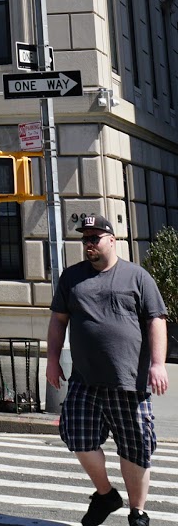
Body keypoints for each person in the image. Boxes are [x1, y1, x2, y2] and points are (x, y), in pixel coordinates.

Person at [47, 214, 169, 526]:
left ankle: (137, 512)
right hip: (85, 380)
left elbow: (156, 319)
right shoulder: (71, 278)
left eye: (94, 238)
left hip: (129, 381)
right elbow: (58, 321)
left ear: (111, 240)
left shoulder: (137, 277)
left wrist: (157, 364)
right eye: (85, 239)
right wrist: (51, 360)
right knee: (76, 436)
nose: (88, 244)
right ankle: (106, 495)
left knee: (135, 447)